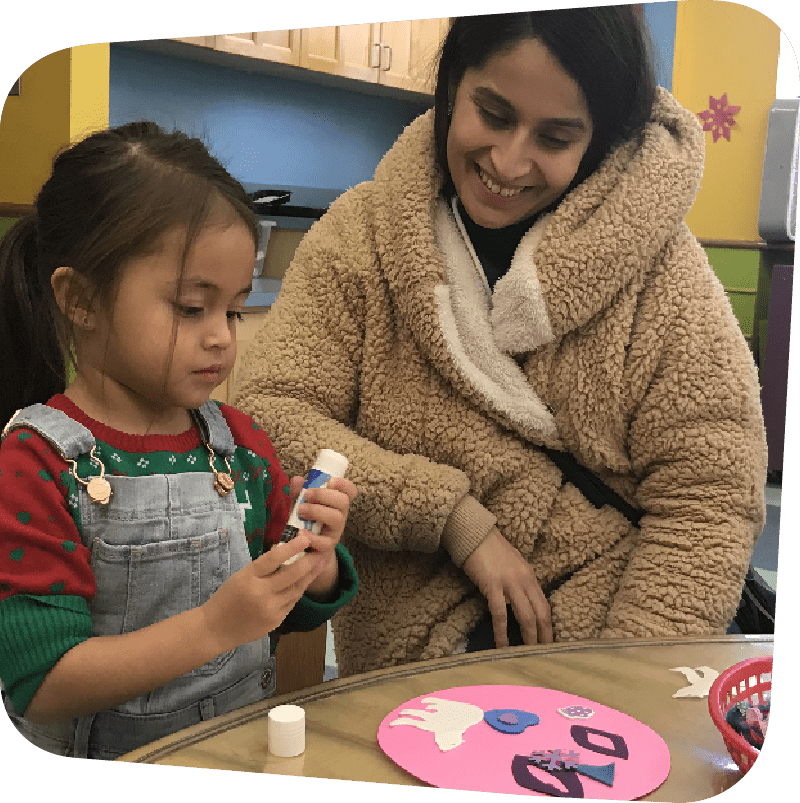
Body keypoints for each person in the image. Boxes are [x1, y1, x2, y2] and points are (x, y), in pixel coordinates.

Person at [233, 7, 767, 678]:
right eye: (493, 113)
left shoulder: (660, 269)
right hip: (412, 670)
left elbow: (711, 491)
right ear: (453, 85)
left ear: (598, 139)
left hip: (608, 644)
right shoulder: (359, 237)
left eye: (555, 136)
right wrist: (450, 515)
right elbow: (270, 418)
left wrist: (627, 686)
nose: (509, 161)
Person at [0, 121, 358, 759]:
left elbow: (293, 610)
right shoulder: (35, 463)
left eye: (235, 308)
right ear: (79, 299)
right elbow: (43, 684)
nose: (222, 336)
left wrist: (316, 563)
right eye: (192, 307)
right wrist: (216, 626)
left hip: (239, 755)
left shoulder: (241, 445)